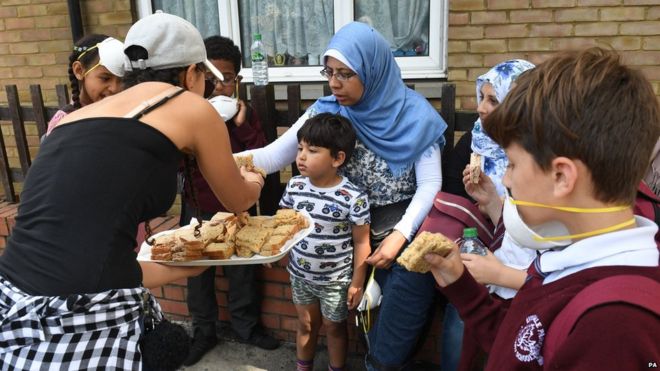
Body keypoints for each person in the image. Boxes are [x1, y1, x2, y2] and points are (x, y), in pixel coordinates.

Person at [0, 12, 264, 369]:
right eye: (205, 75)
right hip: (84, 317)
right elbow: (239, 200)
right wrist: (256, 177)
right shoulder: (192, 107)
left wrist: (189, 266)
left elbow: (92, 255)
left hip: (14, 301)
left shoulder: (75, 119)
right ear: (191, 73)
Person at [426, 47, 660, 370]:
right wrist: (461, 285)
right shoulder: (570, 258)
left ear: (561, 177)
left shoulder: (614, 326)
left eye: (512, 163)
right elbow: (522, 349)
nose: (505, 178)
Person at [239, 21, 447, 370]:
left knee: (389, 338)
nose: (334, 83)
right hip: (345, 240)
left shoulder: (415, 116)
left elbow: (430, 184)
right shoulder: (327, 110)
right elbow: (274, 155)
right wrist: (211, 156)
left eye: (346, 74)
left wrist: (399, 236)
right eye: (329, 72)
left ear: (372, 68)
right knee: (363, 324)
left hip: (402, 238)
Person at [181, 35, 277, 367]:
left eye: (229, 78)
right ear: (199, 76)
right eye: (212, 78)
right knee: (198, 271)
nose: (221, 86)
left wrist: (241, 123)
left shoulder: (243, 114)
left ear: (237, 79)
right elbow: (180, 159)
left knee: (243, 270)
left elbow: (262, 154)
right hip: (197, 205)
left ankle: (246, 327)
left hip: (237, 203)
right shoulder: (189, 114)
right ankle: (203, 332)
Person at [439, 59, 535, 371]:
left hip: (516, 293)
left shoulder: (543, 164)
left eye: (493, 100)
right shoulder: (487, 141)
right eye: (482, 97)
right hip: (492, 269)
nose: (481, 109)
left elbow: (563, 274)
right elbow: (516, 229)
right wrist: (492, 202)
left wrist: (498, 275)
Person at [280, 112, 370, 371]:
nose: (301, 156)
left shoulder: (353, 196)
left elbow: (362, 242)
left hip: (336, 281)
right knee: (306, 324)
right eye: (300, 148)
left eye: (313, 150)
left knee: (334, 328)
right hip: (300, 274)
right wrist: (274, 250)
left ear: (337, 158)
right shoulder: (295, 186)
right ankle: (303, 367)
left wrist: (357, 282)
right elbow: (283, 222)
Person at [45, 34, 125, 136]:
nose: (115, 88)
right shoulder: (63, 124)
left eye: (122, 80)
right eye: (105, 78)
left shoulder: (127, 112)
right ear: (79, 70)